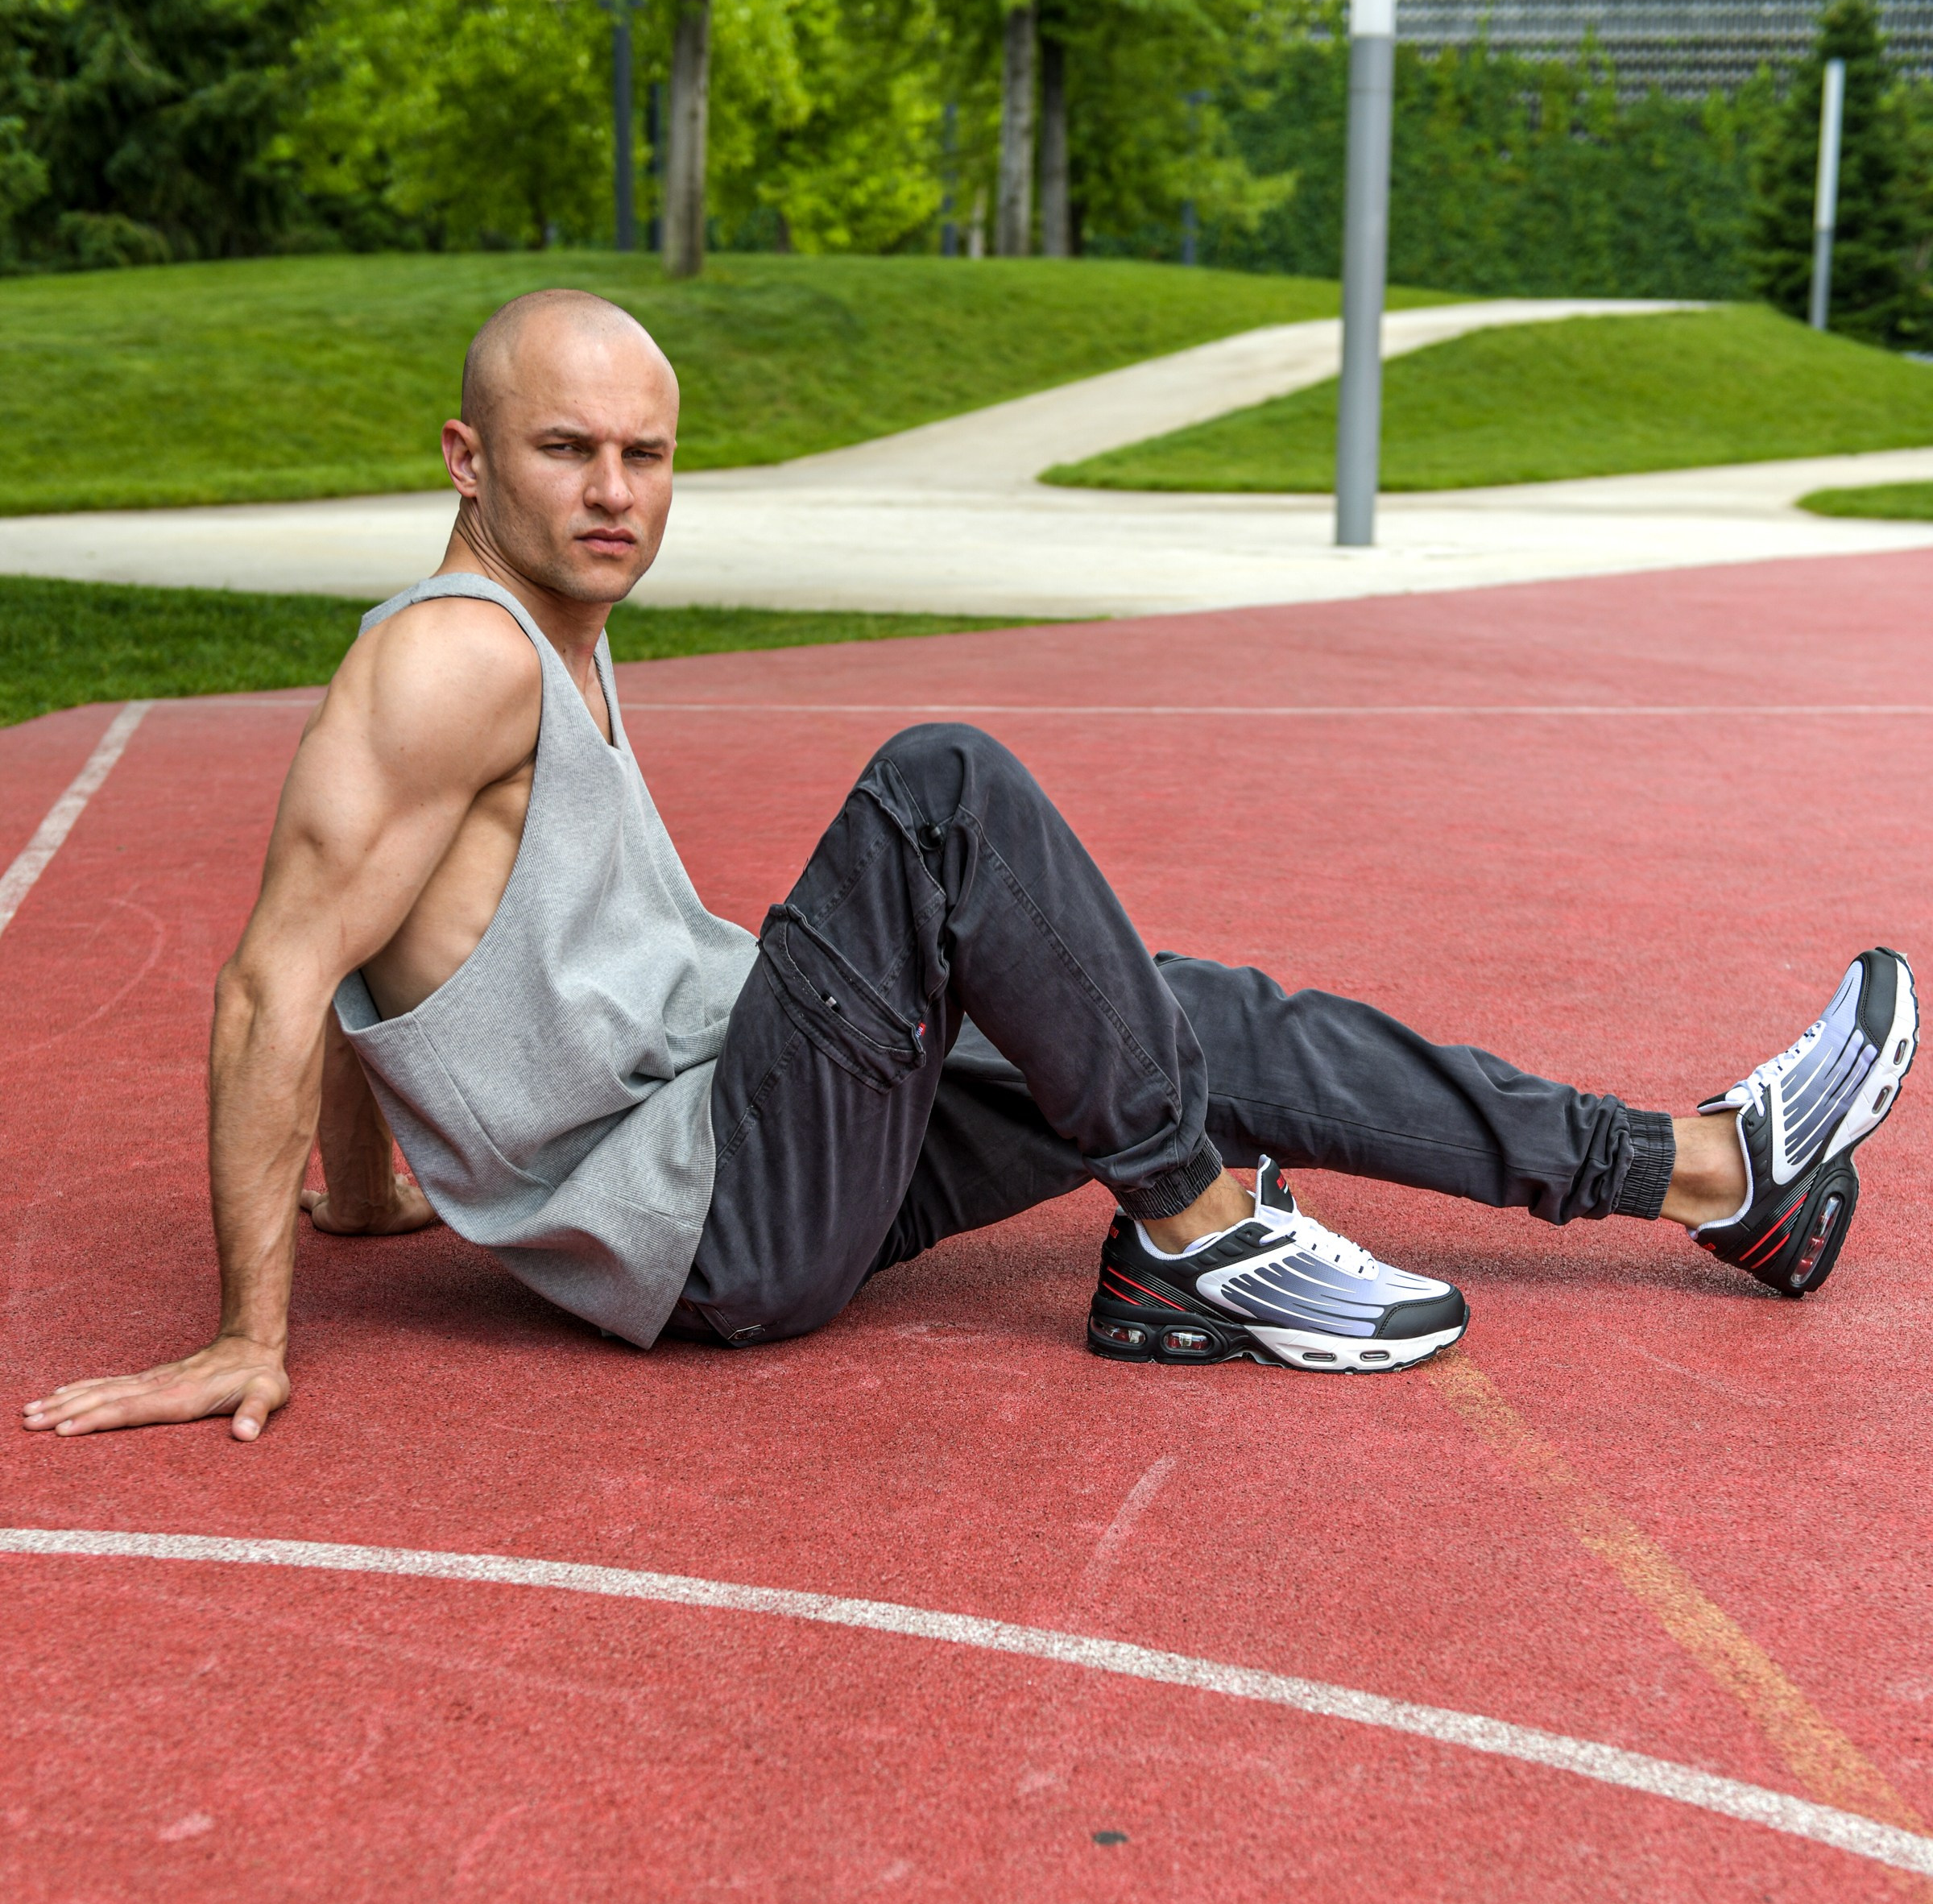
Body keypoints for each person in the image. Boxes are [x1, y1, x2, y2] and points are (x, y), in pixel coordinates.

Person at [23, 291, 1918, 1443]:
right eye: (567, 449)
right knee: (944, 791)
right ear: (467, 456)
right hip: (717, 1216)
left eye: (649, 455)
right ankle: (1187, 1233)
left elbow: (380, 964)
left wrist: (373, 1198)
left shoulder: (558, 635)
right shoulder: (449, 655)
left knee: (1179, 1016)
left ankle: (1714, 1178)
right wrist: (245, 1332)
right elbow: (280, 973)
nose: (616, 491)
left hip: (738, 1132)